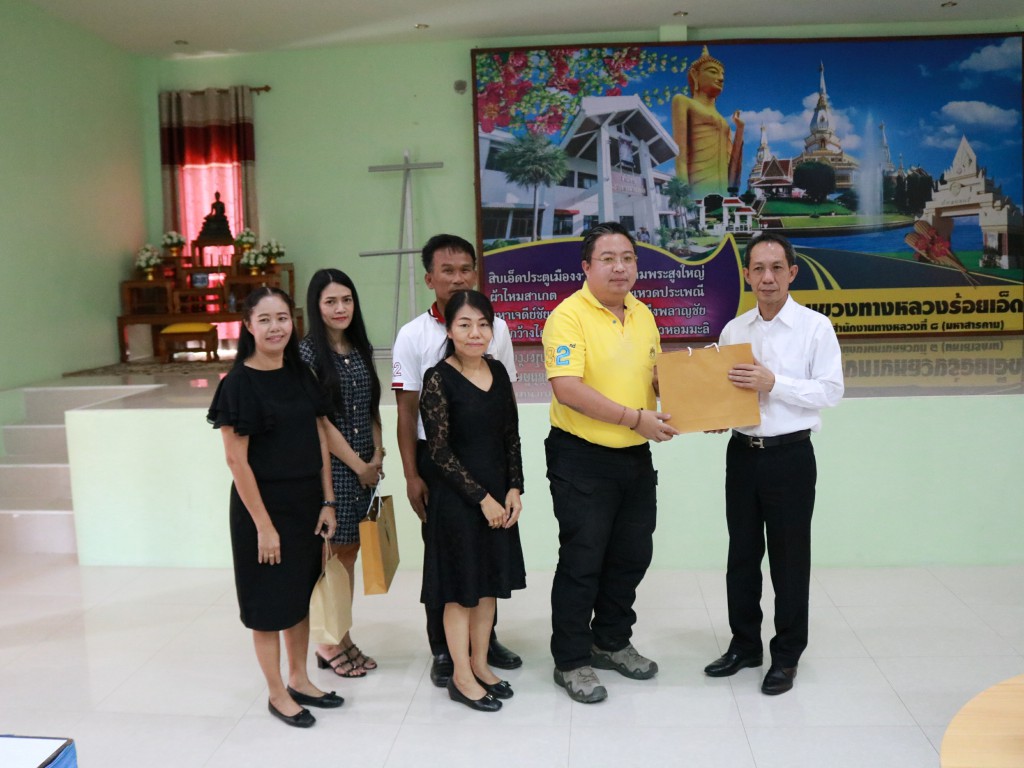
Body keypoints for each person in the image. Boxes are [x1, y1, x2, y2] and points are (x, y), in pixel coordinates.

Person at [543, 221, 679, 704]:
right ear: (586, 266)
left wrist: (701, 405)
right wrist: (635, 418)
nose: (620, 267)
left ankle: (612, 641)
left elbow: (654, 377)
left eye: (627, 258)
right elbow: (568, 388)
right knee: (583, 561)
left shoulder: (643, 314)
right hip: (581, 457)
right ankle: (571, 660)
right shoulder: (567, 317)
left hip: (634, 457)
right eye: (607, 258)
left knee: (630, 556)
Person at [703, 232, 843, 695]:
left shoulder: (815, 328)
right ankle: (745, 645)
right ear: (747, 274)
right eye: (758, 268)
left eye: (777, 268)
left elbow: (830, 391)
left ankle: (786, 656)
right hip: (742, 455)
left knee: (789, 561)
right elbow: (726, 392)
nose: (767, 277)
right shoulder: (733, 330)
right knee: (741, 557)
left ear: (792, 273)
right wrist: (715, 416)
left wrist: (774, 383)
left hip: (791, 457)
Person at [207, 286, 344, 728]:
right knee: (267, 606)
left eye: (282, 318)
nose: (275, 327)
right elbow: (236, 461)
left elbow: (319, 439)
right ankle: (276, 692)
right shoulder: (238, 384)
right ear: (248, 325)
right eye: (264, 319)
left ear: (293, 322)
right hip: (261, 510)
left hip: (305, 503)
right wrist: (264, 527)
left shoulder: (301, 374)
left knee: (298, 598)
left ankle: (300, 679)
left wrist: (328, 500)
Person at [392, 233, 522, 688]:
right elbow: (406, 413)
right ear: (430, 278)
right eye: (447, 270)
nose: (458, 277)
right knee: (448, 560)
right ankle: (446, 652)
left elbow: (506, 413)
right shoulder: (413, 335)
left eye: (466, 269)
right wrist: (411, 474)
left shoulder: (497, 330)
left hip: (489, 459)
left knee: (487, 559)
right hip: (439, 461)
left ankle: (484, 646)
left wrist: (513, 483)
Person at [419, 290, 526, 712]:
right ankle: (461, 676)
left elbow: (511, 435)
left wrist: (514, 488)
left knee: (487, 589)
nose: (475, 332)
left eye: (483, 324)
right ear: (449, 330)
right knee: (460, 591)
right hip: (459, 501)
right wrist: (482, 498)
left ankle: (480, 665)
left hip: (498, 497)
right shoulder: (437, 379)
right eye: (464, 324)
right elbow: (439, 452)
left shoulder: (497, 370)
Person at [299, 268, 384, 678]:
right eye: (330, 301)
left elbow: (371, 405)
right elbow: (321, 422)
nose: (340, 308)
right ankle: (327, 643)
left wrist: (378, 455)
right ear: (316, 306)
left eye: (346, 300)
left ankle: (342, 634)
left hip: (365, 467)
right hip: (333, 469)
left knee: (348, 555)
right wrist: (358, 465)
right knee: (331, 559)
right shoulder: (308, 354)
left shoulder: (359, 345)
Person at [672, 45, 744, 199]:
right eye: (713, 71)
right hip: (698, 189)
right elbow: (680, 156)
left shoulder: (723, 121)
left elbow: (732, 167)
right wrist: (683, 199)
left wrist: (740, 130)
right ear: (695, 74)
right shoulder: (684, 102)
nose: (721, 78)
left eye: (722, 74)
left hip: (723, 192)